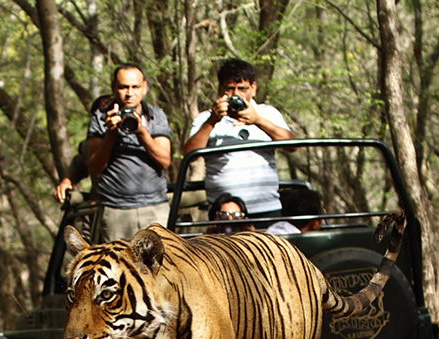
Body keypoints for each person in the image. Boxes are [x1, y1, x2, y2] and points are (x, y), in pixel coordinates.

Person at [182, 58, 294, 223]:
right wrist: (212, 121)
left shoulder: (267, 113)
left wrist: (258, 120)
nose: (236, 95)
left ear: (253, 88)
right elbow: (189, 154)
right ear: (220, 89)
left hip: (266, 208)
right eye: (230, 89)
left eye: (242, 89)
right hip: (224, 214)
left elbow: (293, 145)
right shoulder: (206, 118)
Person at [87, 64, 172, 241]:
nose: (129, 93)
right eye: (123, 87)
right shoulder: (100, 118)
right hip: (115, 210)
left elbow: (165, 160)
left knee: (160, 266)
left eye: (135, 87)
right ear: (113, 88)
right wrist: (111, 133)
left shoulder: (156, 116)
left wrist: (141, 131)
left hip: (155, 207)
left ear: (145, 88)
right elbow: (94, 168)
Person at [53, 95, 114, 204]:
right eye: (100, 118)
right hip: (101, 207)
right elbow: (78, 166)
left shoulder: (140, 139)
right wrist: (66, 183)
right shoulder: (88, 146)